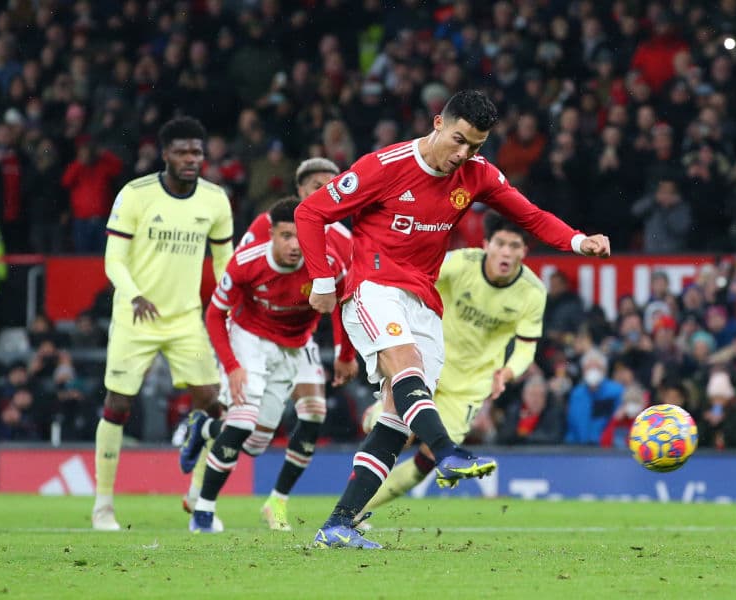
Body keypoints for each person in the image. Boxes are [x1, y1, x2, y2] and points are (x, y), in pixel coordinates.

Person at [295, 89, 610, 549]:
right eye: (459, 139)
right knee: (407, 367)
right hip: (373, 286)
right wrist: (322, 280)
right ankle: (446, 451)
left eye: (476, 146)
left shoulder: (476, 174)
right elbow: (310, 211)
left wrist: (579, 242)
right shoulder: (383, 166)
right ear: (437, 123)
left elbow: (532, 216)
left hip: (423, 300)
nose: (463, 154)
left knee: (397, 421)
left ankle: (339, 524)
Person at [179, 198, 355, 533]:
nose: (294, 245)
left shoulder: (328, 263)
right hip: (249, 341)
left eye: (300, 236)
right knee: (242, 422)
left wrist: (345, 354)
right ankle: (204, 511)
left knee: (255, 444)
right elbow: (215, 314)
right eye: (286, 236)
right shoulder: (246, 262)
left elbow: (345, 305)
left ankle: (202, 428)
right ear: (271, 234)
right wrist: (232, 366)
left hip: (292, 348)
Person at [92, 117, 233, 531]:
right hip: (135, 316)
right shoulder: (135, 195)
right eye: (183, 152)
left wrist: (228, 302)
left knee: (216, 407)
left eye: (197, 152)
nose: (191, 159)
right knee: (118, 404)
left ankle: (198, 499)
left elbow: (224, 261)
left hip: (185, 318)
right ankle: (103, 505)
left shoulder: (215, 200)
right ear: (165, 154)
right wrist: (133, 293)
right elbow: (113, 259)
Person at [358, 211, 548, 515]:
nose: (507, 252)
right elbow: (416, 278)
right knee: (400, 438)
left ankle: (357, 510)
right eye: (500, 243)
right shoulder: (460, 263)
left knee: (428, 460)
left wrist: (508, 372)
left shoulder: (533, 292)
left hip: (470, 387)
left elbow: (527, 347)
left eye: (515, 246)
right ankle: (377, 414)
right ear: (486, 243)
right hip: (429, 364)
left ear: (524, 251)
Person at [228, 156, 356, 531]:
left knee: (314, 413)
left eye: (336, 186)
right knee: (250, 433)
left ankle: (277, 501)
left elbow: (341, 298)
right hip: (256, 331)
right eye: (318, 187)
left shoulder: (344, 239)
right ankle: (206, 436)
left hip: (301, 337)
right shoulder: (268, 226)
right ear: (300, 192)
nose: (329, 193)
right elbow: (241, 276)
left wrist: (346, 353)